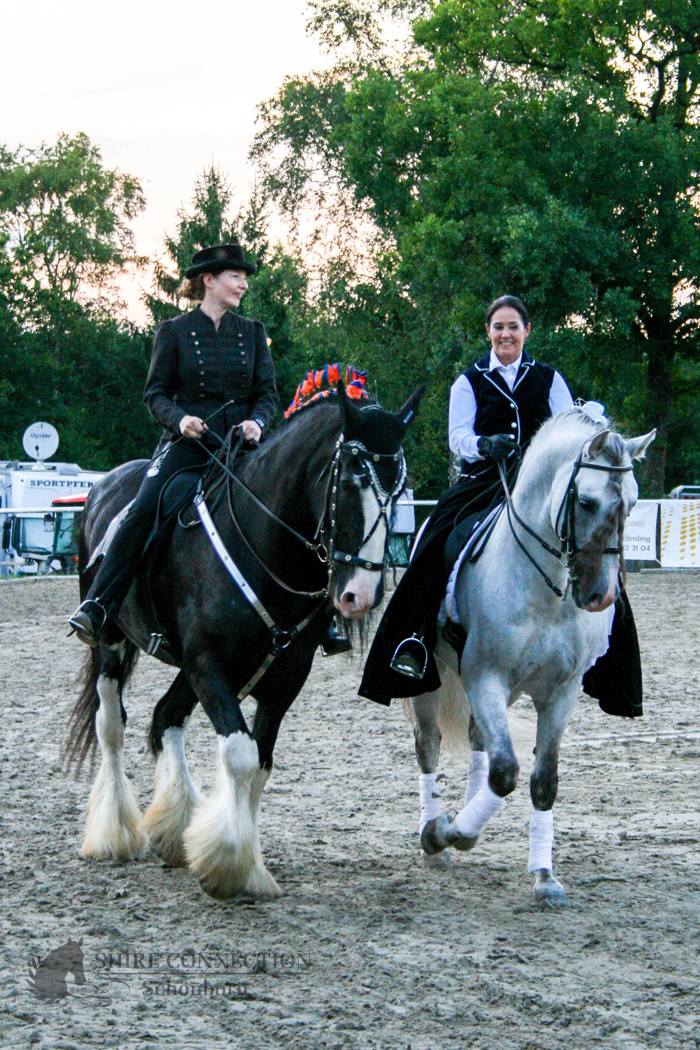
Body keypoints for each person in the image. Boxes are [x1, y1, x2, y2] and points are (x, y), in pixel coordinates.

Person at [359, 295, 575, 704]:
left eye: (513, 326)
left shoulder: (550, 379)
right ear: (488, 332)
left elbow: (565, 430)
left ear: (527, 331)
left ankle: (602, 648)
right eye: (498, 327)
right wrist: (482, 443)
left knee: (592, 537)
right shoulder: (469, 380)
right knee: (434, 545)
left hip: (537, 485)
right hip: (482, 481)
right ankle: (416, 642)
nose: (505, 334)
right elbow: (456, 437)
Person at [69, 243, 279, 647]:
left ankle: (321, 620)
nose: (243, 284)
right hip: (188, 445)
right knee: (143, 509)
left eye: (245, 277)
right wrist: (179, 419)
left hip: (240, 447)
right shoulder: (174, 331)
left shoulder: (252, 333)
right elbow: (155, 395)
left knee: (290, 499)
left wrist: (259, 421)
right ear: (209, 280)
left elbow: (267, 393)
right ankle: (100, 604)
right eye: (235, 276)